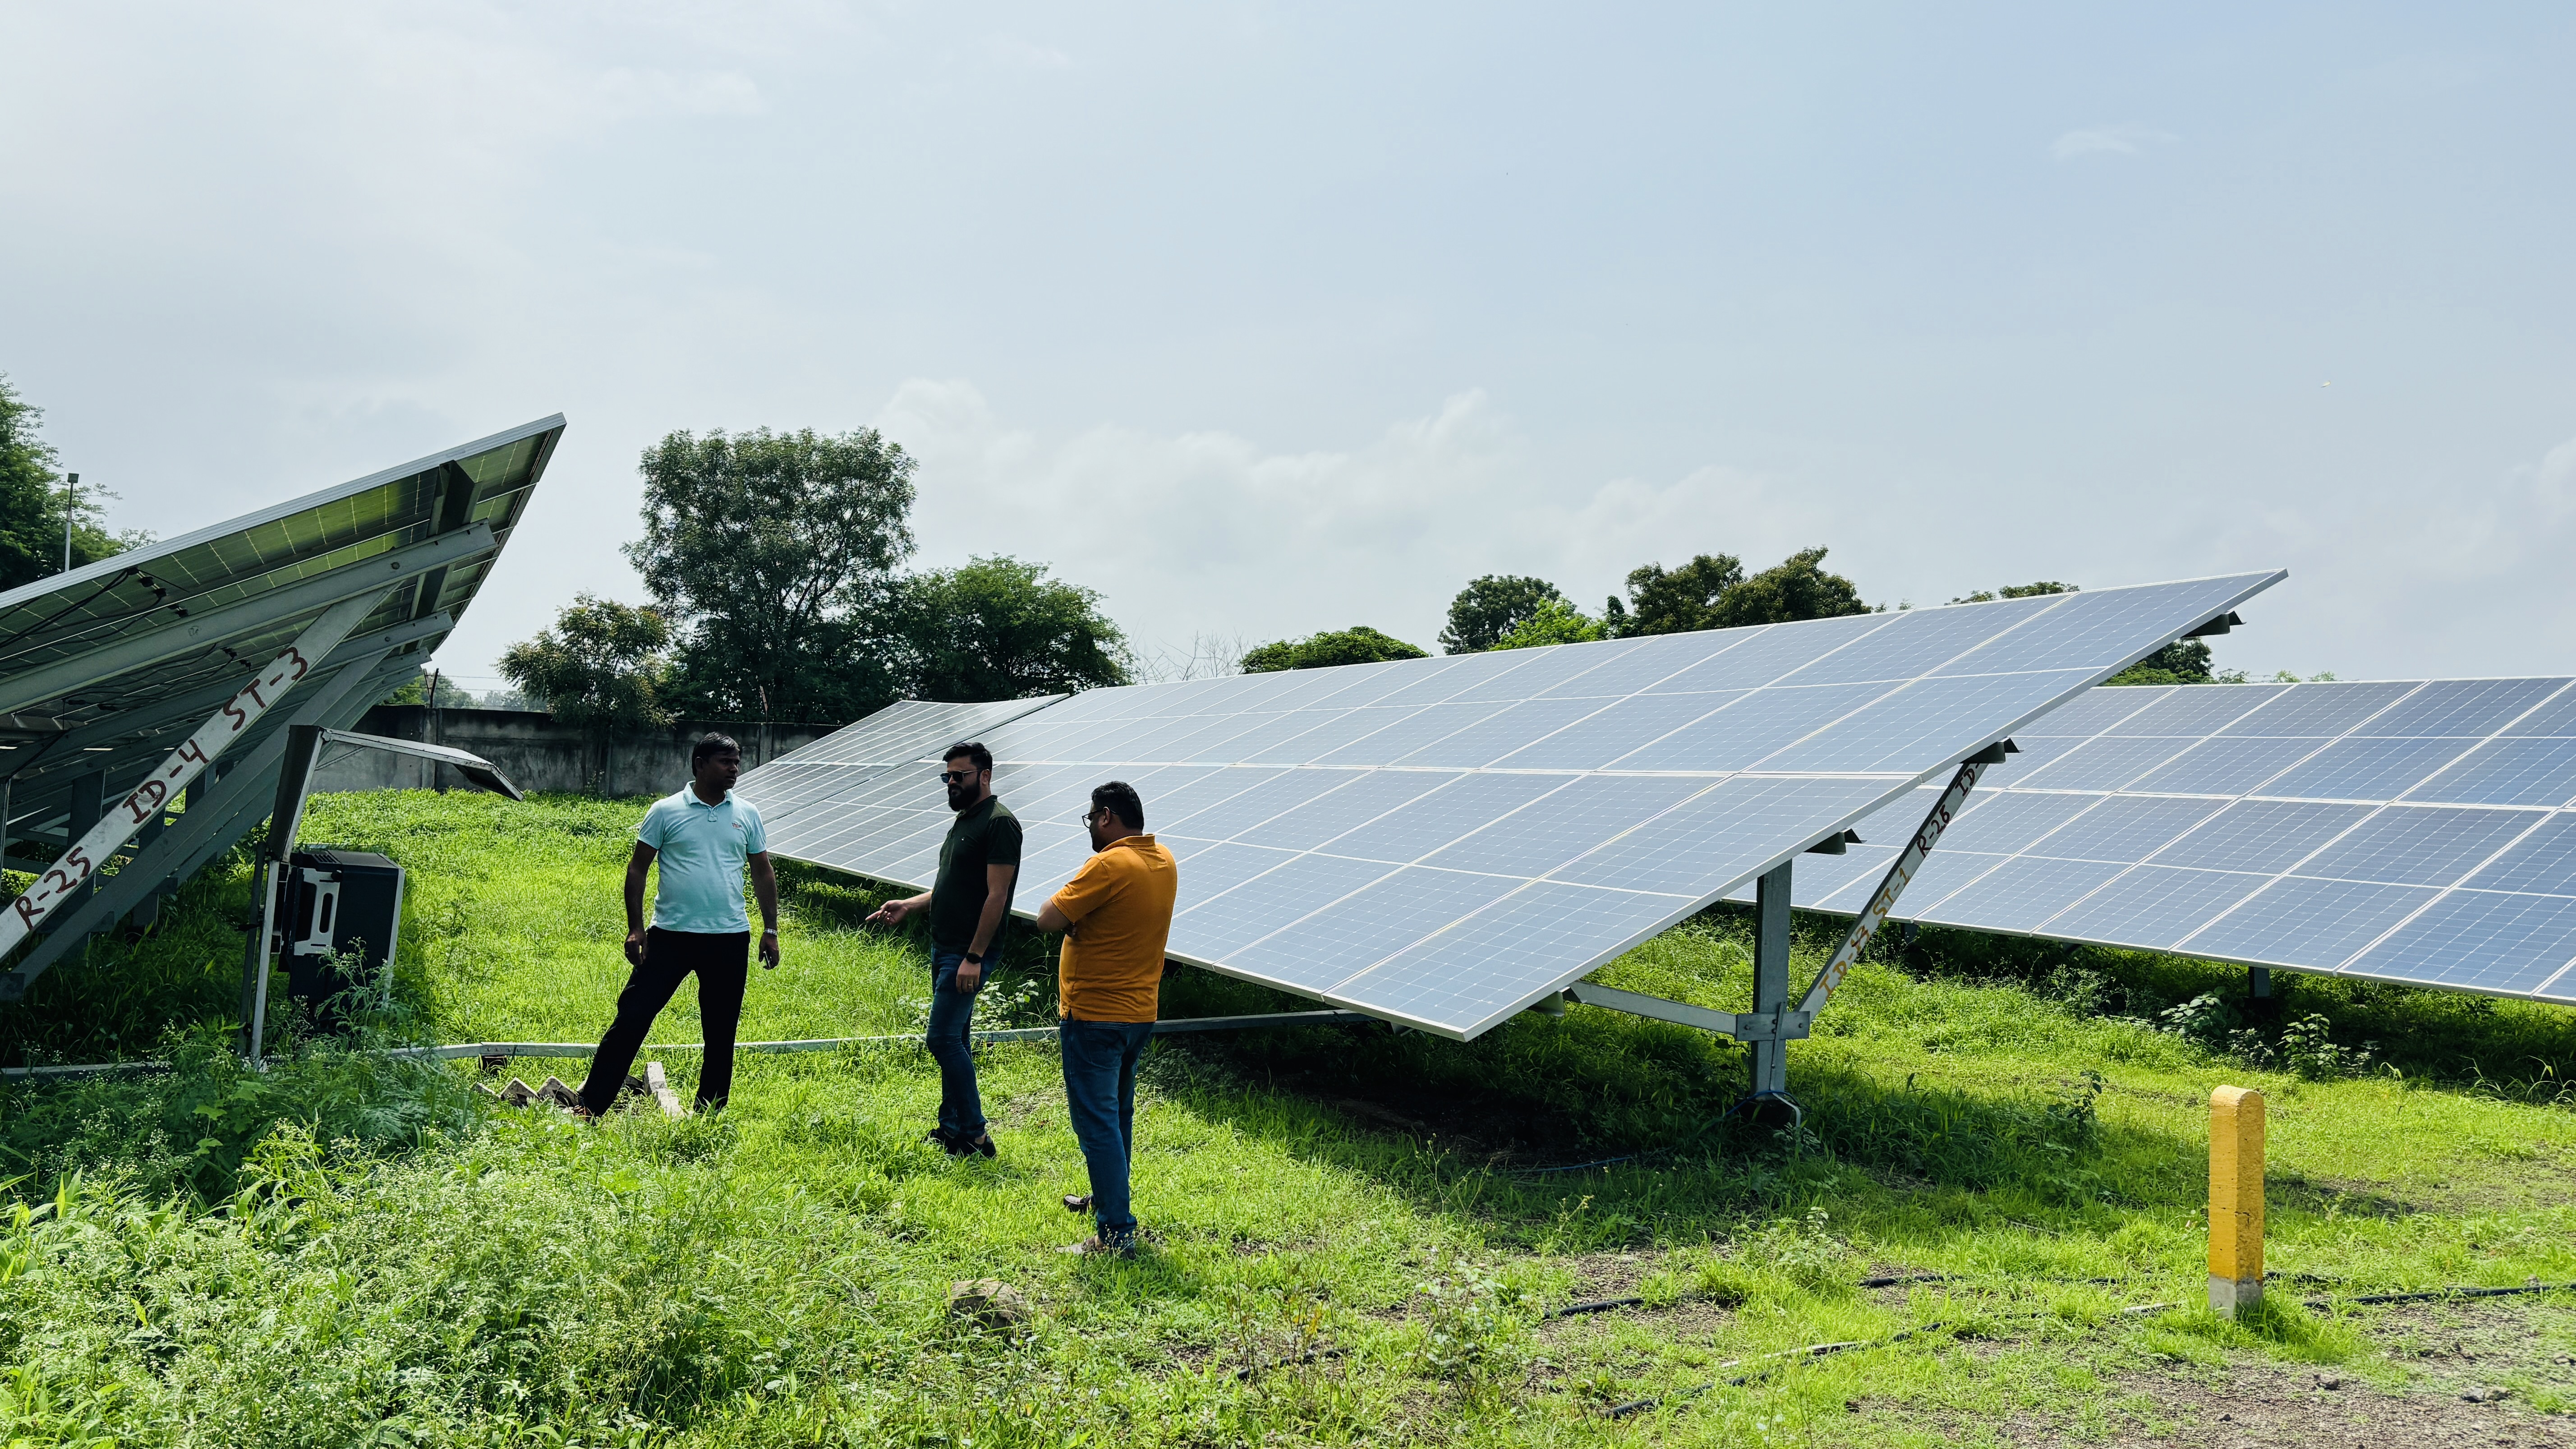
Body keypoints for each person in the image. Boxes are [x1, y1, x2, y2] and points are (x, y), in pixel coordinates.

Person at [576, 733, 779, 1118]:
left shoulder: (747, 813)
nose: (734, 769)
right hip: (670, 937)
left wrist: (771, 930)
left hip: (729, 937)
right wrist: (636, 928)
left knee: (721, 1030)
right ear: (699, 764)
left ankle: (710, 1113)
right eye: (725, 761)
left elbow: (762, 872)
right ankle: (591, 1105)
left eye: (737, 762)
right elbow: (638, 868)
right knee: (633, 1016)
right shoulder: (665, 811)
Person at [1032, 779, 1178, 1257]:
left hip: (1095, 1016)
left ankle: (1115, 1233)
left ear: (1106, 817)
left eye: (1090, 818)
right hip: (1139, 1014)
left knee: (1097, 1124)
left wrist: (1078, 919)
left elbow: (1048, 917)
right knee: (1117, 1117)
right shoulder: (1163, 861)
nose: (1089, 828)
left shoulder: (1110, 863)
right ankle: (1107, 1198)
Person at [866, 741, 1019, 1157]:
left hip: (966, 953)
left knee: (942, 1038)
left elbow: (996, 895)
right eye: (947, 776)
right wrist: (910, 905)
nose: (951, 782)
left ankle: (975, 1133)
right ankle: (952, 1128)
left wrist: (973, 956)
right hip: (944, 946)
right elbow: (951, 885)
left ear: (985, 775)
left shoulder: (999, 823)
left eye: (960, 775)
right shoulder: (965, 821)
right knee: (958, 1039)